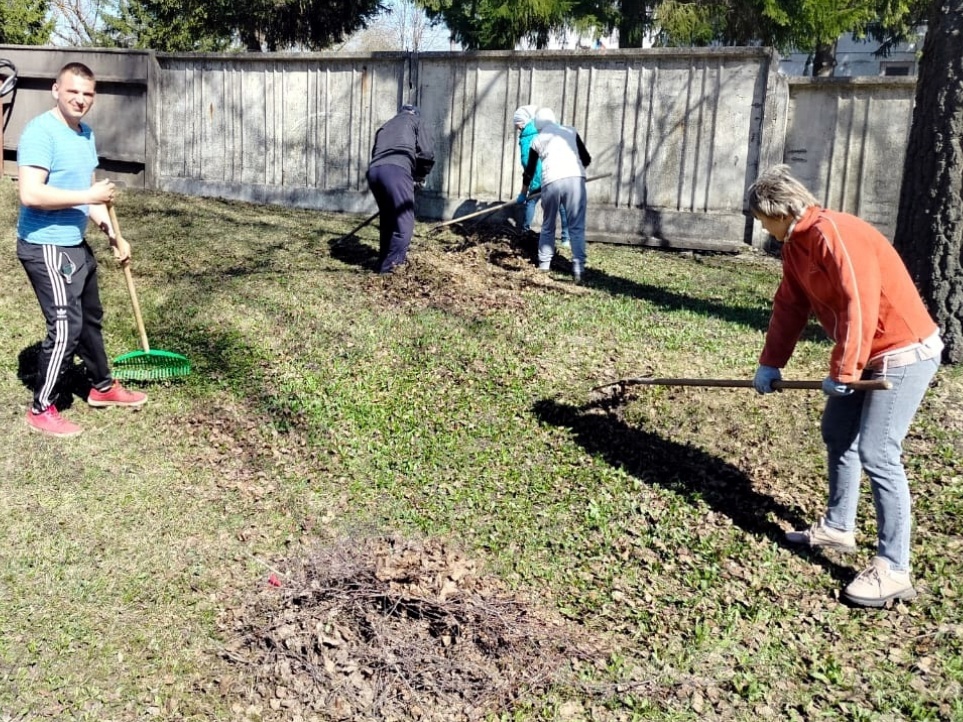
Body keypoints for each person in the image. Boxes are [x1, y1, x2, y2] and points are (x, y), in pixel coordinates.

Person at [748, 164, 942, 608]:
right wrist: (770, 362)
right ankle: (839, 526)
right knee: (838, 433)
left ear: (779, 209)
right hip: (865, 352)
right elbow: (790, 306)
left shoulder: (836, 233)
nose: (762, 227)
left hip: (902, 350)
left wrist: (844, 371)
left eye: (763, 219)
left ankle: (894, 568)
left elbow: (861, 303)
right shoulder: (795, 245)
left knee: (879, 452)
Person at [17, 62, 148, 438]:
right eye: (73, 90)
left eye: (88, 93)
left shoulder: (84, 134)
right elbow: (30, 193)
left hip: (74, 244)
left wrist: (111, 233)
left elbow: (87, 200)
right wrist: (88, 195)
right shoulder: (41, 132)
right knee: (65, 325)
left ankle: (101, 388)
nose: (80, 99)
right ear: (56, 90)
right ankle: (42, 407)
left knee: (89, 319)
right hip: (45, 246)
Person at [517, 108, 591, 283]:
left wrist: (523, 193)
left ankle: (544, 266)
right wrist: (573, 172)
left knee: (548, 225)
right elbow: (586, 159)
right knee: (576, 227)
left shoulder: (537, 139)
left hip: (551, 182)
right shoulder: (570, 131)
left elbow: (529, 171)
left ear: (538, 125)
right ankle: (579, 268)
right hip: (575, 181)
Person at [366, 104, 434, 274]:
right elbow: (426, 153)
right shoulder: (416, 121)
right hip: (396, 171)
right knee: (404, 223)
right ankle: (391, 270)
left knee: (388, 219)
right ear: (415, 114)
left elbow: (377, 151)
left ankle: (384, 262)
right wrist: (420, 175)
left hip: (374, 172)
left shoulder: (386, 125)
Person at [511, 105, 569, 249]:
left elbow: (527, 163)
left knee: (531, 202)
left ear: (523, 122)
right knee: (562, 206)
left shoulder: (527, 137)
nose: (516, 126)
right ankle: (566, 238)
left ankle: (525, 231)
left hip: (540, 179)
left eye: (517, 122)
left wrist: (524, 192)